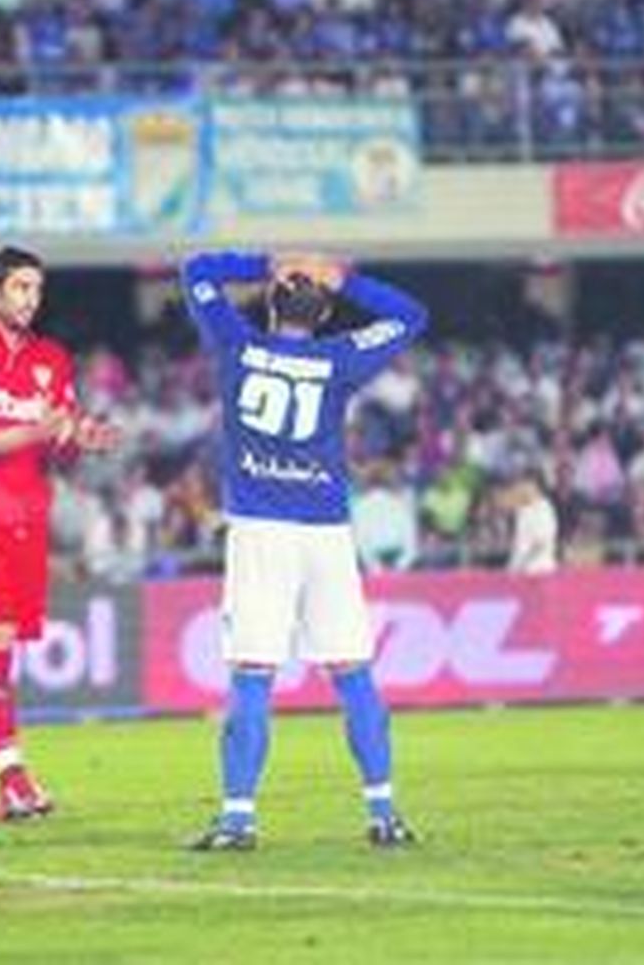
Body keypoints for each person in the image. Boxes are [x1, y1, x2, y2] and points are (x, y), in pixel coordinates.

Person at [181, 249, 427, 850]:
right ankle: (385, 814)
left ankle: (238, 819)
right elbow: (411, 315)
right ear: (321, 317)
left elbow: (196, 272)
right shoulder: (339, 358)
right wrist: (347, 278)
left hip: (262, 530)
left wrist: (265, 260)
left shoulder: (237, 344)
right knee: (353, 674)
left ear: (271, 301)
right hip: (326, 534)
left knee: (253, 677)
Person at [0, 245, 118, 821]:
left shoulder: (52, 359)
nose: (30, 300)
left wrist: (79, 439)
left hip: (29, 519)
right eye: (20, 288)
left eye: (36, 289)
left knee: (2, 651)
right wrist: (34, 430)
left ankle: (10, 775)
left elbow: (56, 442)